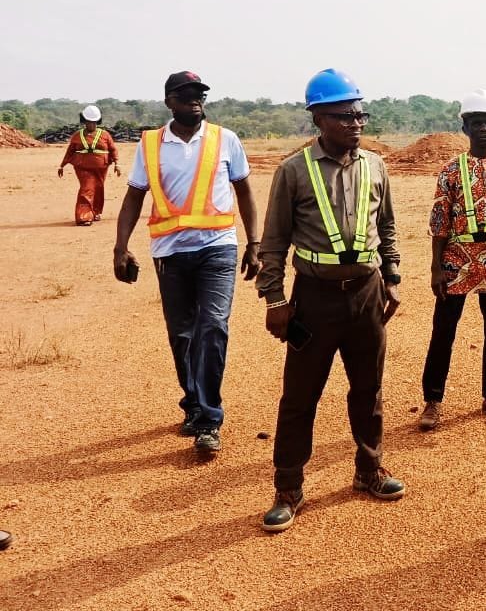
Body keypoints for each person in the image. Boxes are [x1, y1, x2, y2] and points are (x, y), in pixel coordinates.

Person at [256, 69, 405, 532]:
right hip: (314, 299)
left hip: (366, 294)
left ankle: (369, 469)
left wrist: (393, 276)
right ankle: (289, 486)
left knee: (369, 389)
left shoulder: (376, 166)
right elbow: (274, 241)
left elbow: (388, 228)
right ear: (319, 118)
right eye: (344, 115)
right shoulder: (293, 171)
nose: (356, 123)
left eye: (360, 114)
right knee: (300, 396)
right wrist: (275, 300)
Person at [113, 72, 260, 456]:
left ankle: (209, 419)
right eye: (186, 95)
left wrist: (255, 243)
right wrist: (120, 246)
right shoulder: (149, 144)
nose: (195, 101)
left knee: (213, 325)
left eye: (200, 95)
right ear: (169, 102)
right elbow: (134, 197)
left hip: (218, 248)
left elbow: (244, 191)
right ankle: (193, 403)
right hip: (170, 253)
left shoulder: (225, 139)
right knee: (181, 334)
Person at [419, 88, 486, 429]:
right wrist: (435, 268)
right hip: (456, 259)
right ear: (465, 128)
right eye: (477, 123)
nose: (484, 129)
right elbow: (439, 221)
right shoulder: (450, 170)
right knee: (443, 330)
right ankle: (432, 401)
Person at [58, 105, 120, 225]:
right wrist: (62, 165)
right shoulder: (77, 135)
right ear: (84, 121)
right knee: (87, 188)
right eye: (89, 122)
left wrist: (117, 164)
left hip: (101, 167)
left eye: (94, 122)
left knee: (98, 189)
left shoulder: (105, 135)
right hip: (83, 168)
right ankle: (84, 216)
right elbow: (70, 151)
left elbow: (113, 149)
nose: (91, 125)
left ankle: (95, 212)